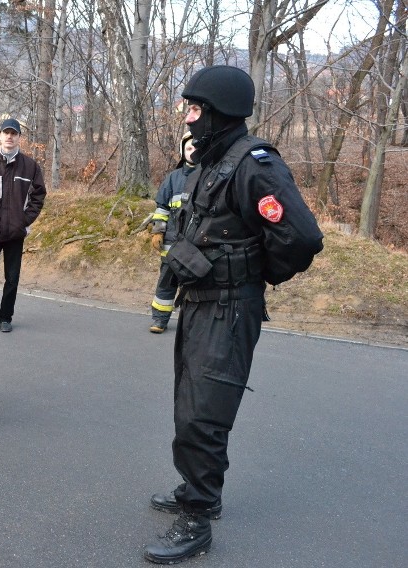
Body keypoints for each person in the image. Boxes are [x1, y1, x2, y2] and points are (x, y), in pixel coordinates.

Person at [144, 65, 323, 564]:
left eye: (195, 108)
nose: (187, 117)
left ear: (220, 113)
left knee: (206, 413)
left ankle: (199, 516)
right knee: (189, 404)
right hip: (198, 304)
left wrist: (251, 273)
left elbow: (302, 237)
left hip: (228, 307)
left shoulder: (255, 164)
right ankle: (193, 488)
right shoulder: (208, 161)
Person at [0, 118, 47, 333]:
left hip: (15, 233)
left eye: (14, 133)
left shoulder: (30, 166)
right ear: (0, 136)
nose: (9, 137)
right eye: (6, 132)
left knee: (12, 278)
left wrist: (25, 221)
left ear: (19, 138)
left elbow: (39, 195)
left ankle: (6, 317)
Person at [147, 132, 197, 333]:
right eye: (189, 148)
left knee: (194, 288)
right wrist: (157, 232)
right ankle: (159, 319)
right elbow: (161, 209)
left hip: (195, 247)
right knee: (166, 283)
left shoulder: (210, 176)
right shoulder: (173, 179)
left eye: (197, 147)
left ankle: (192, 323)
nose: (194, 152)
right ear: (182, 151)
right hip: (171, 244)